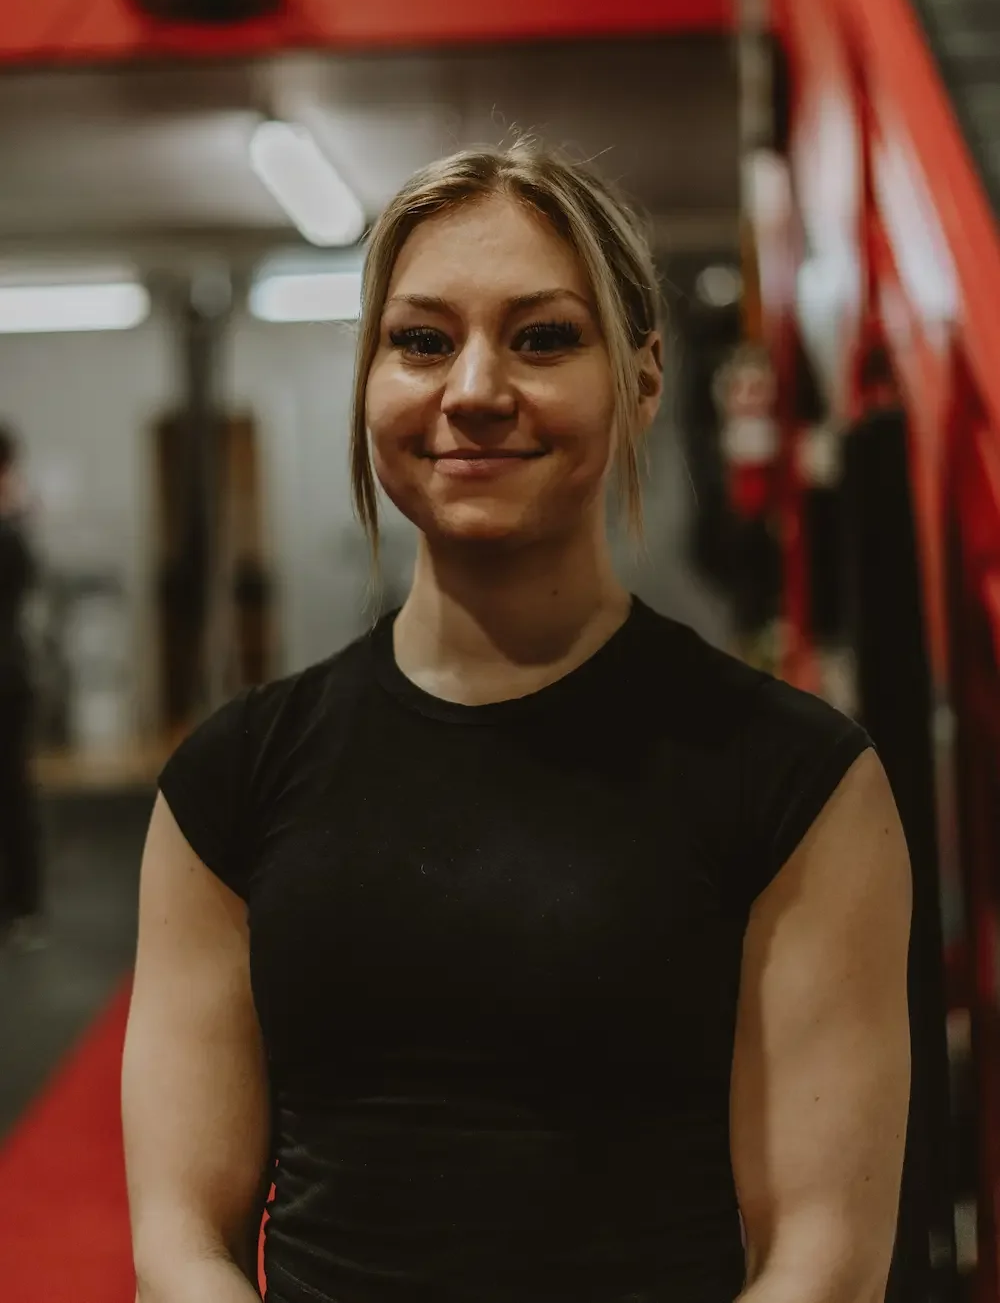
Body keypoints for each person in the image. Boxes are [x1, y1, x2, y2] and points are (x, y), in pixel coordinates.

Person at [122, 141, 912, 1303]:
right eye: (421, 340)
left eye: (542, 337)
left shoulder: (798, 780)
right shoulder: (229, 781)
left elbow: (821, 1259)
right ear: (370, 379)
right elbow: (180, 1237)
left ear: (642, 378)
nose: (475, 389)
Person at [0, 424, 44, 950]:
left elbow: (22, 577)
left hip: (6, 680)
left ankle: (24, 904)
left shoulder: (10, 536)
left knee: (12, 789)